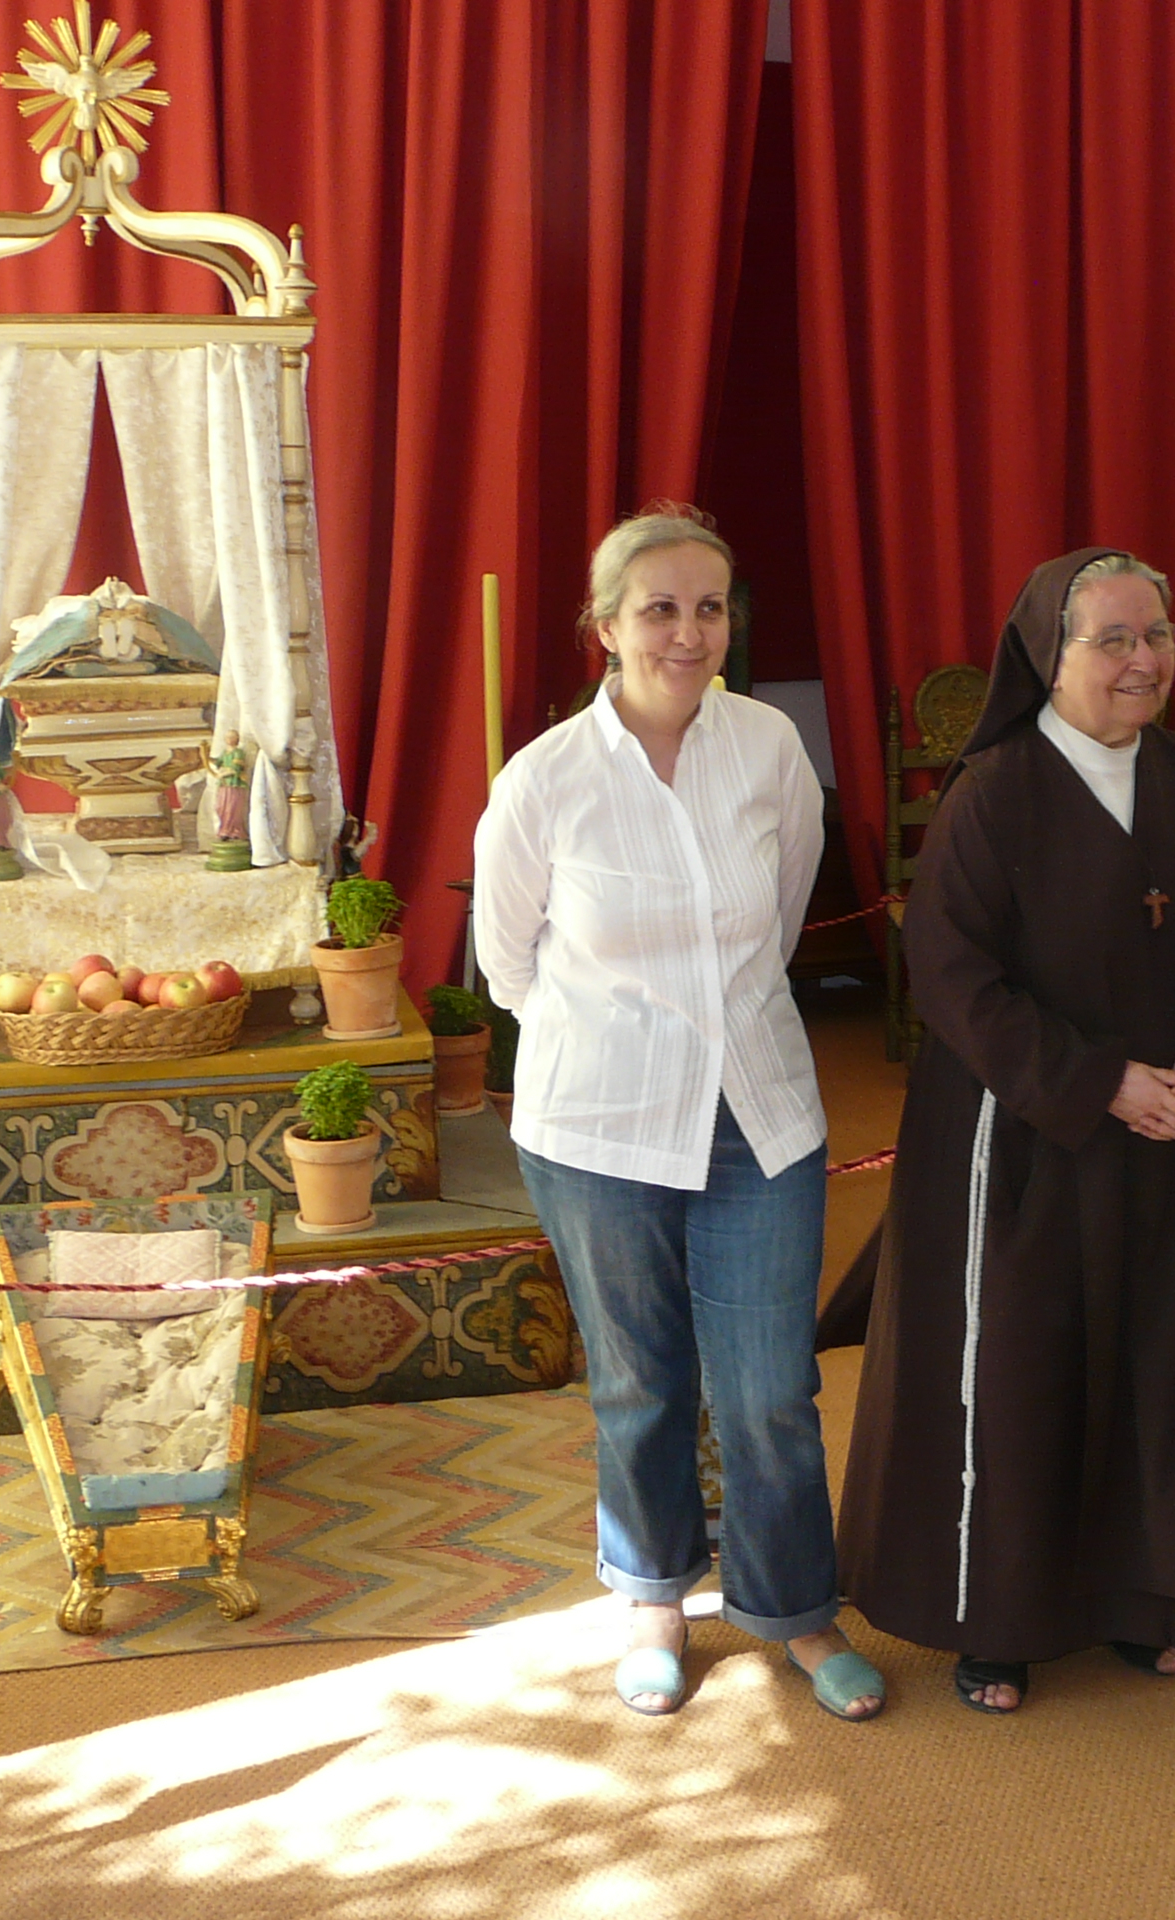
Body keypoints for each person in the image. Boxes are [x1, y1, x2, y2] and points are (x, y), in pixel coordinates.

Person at [824, 548, 1175, 1714]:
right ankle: (999, 1622)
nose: (1144, 661)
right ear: (1048, 655)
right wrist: (1097, 1083)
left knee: (1153, 1362)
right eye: (1112, 640)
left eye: (1157, 634)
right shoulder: (993, 791)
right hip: (1018, 1137)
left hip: (1169, 1125)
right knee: (1017, 1371)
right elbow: (950, 978)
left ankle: (1141, 1597)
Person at [472, 505, 884, 1723]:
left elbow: (788, 898)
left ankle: (794, 1609)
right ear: (604, 628)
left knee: (766, 1386)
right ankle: (653, 1593)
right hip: (598, 1127)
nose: (689, 632)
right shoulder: (544, 782)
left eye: (710, 608)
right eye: (659, 608)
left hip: (756, 1112)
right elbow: (508, 965)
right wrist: (618, 1044)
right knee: (639, 1381)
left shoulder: (763, 750)